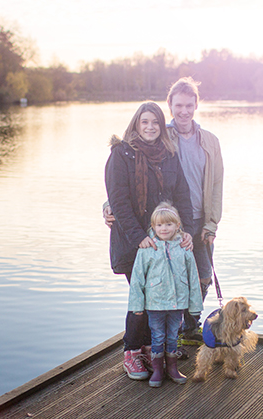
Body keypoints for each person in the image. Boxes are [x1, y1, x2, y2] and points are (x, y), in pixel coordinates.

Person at [105, 77, 224, 342]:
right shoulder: (160, 135)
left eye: (189, 105)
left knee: (201, 275)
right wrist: (108, 205)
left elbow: (216, 185)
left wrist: (211, 224)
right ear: (169, 105)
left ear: (196, 105)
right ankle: (166, 336)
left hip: (197, 220)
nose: (184, 111)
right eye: (178, 105)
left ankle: (187, 326)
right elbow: (125, 181)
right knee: (162, 283)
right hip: (162, 225)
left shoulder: (210, 142)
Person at [105, 101, 194, 381]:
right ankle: (131, 352)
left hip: (165, 241)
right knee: (140, 297)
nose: (150, 127)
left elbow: (181, 196)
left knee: (158, 299)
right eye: (144, 122)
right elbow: (118, 201)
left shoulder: (168, 155)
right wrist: (140, 237)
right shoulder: (121, 154)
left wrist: (186, 230)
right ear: (136, 124)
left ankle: (149, 349)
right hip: (135, 242)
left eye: (155, 122)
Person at [128, 202, 203, 387]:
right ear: (153, 227)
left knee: (172, 337)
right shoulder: (147, 249)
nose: (164, 228)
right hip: (155, 304)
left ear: (178, 226)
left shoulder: (184, 248)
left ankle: (172, 368)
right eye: (159, 225)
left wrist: (195, 307)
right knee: (158, 336)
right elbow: (137, 279)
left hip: (177, 304)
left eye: (168, 224)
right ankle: (158, 369)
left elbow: (193, 278)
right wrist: (137, 307)